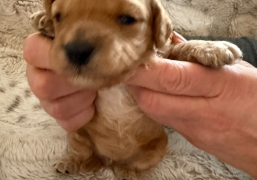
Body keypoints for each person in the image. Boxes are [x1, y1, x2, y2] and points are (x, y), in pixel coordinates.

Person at [24, 32, 257, 178]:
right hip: (94, 132)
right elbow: (172, 43)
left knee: (148, 153)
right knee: (79, 139)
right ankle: (83, 158)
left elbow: (171, 48)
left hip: (144, 143)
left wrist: (189, 50)